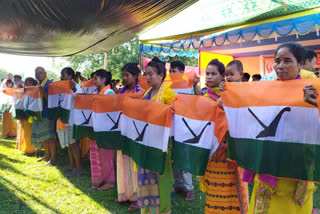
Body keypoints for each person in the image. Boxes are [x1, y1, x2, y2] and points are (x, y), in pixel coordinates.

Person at [244, 42, 315, 214]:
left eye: (287, 61)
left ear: (300, 64)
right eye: (277, 61)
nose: (280, 66)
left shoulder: (312, 90)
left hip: (297, 166)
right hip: (269, 162)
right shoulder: (265, 91)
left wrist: (314, 105)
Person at [204, 59, 249, 214]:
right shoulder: (206, 97)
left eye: (213, 74)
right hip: (214, 152)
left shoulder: (238, 93)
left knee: (234, 192)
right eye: (207, 73)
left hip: (234, 151)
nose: (209, 77)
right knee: (215, 194)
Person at [138, 57, 175, 214]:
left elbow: (176, 113)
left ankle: (163, 209)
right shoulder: (146, 93)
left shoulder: (167, 92)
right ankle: (147, 209)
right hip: (146, 141)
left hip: (161, 144)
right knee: (146, 176)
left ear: (161, 75)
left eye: (151, 74)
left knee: (161, 176)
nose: (147, 77)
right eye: (146, 74)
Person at [116, 63, 144, 212]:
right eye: (123, 75)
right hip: (122, 132)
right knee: (122, 162)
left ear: (135, 76)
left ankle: (137, 198)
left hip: (135, 135)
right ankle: (124, 194)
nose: (124, 78)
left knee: (134, 166)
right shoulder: (121, 92)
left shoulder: (143, 93)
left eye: (127, 75)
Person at [169, 60, 195, 201]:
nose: (172, 74)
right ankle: (178, 184)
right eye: (170, 71)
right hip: (171, 126)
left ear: (182, 73)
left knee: (184, 157)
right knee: (174, 157)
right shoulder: (167, 86)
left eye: (174, 71)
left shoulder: (187, 86)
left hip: (184, 126)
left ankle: (189, 188)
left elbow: (190, 104)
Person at [90, 69, 116, 190]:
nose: (94, 81)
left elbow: (111, 111)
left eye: (96, 78)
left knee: (106, 156)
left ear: (103, 79)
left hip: (106, 130)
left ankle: (109, 182)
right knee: (96, 154)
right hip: (96, 128)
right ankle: (98, 180)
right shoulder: (96, 91)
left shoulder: (109, 92)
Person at [57, 67, 82, 175]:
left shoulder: (76, 86)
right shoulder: (62, 87)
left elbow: (80, 99)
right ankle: (72, 164)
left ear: (70, 76)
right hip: (65, 120)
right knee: (69, 144)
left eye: (64, 74)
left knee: (74, 144)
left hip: (73, 119)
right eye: (62, 74)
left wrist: (74, 89)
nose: (62, 77)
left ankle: (79, 167)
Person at [31, 67, 57, 166]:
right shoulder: (38, 84)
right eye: (36, 73)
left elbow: (53, 100)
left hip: (48, 114)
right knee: (44, 137)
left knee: (50, 137)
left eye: (40, 73)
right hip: (40, 113)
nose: (38, 75)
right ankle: (47, 156)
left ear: (45, 73)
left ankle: (53, 159)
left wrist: (44, 92)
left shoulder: (50, 83)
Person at [17, 77, 39, 155]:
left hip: (32, 115)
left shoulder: (35, 91)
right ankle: (26, 148)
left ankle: (32, 149)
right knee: (25, 131)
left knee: (31, 132)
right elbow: (19, 102)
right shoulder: (23, 91)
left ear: (33, 83)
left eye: (30, 82)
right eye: (26, 82)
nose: (27, 84)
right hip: (24, 115)